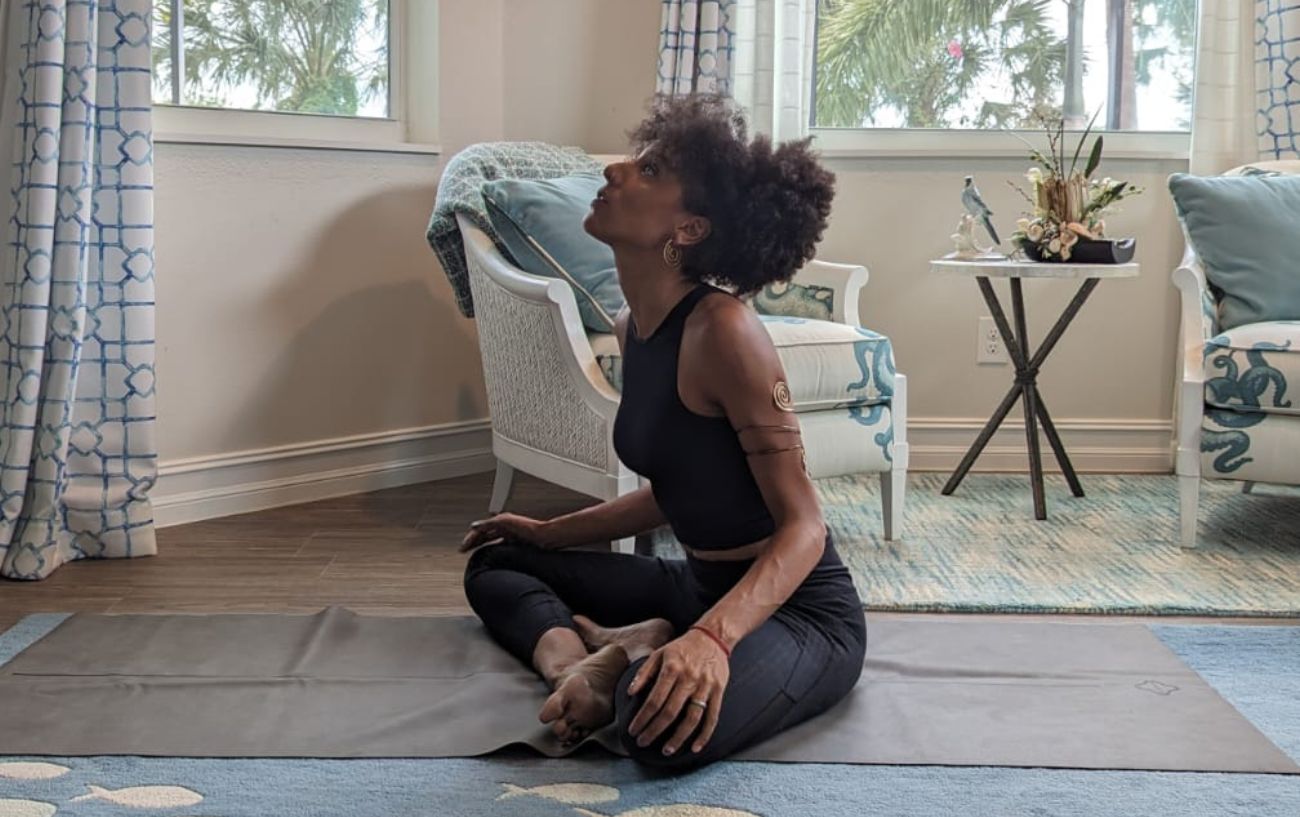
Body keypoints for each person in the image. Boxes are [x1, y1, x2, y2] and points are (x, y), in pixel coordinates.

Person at [461, 94, 865, 770]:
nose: (616, 171)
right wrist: (547, 532)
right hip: (697, 585)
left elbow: (805, 525)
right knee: (497, 562)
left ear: (690, 228)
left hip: (796, 613)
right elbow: (681, 488)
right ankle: (577, 666)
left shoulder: (725, 331)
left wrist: (711, 637)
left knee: (654, 732)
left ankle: (635, 654)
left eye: (649, 172)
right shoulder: (633, 329)